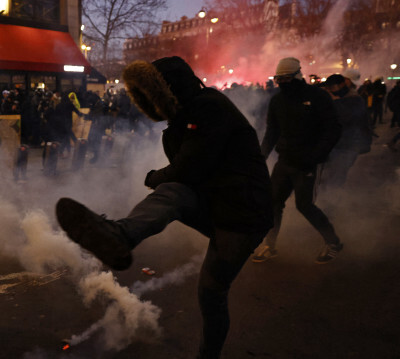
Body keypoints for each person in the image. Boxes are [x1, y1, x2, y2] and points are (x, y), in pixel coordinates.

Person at [55, 57, 273, 359]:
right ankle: (121, 234)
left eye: (149, 93)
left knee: (211, 293)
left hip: (244, 214)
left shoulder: (209, 106)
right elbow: (187, 171)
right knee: (173, 191)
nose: (146, 103)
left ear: (167, 90)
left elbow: (190, 167)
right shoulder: (179, 122)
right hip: (216, 204)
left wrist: (153, 178)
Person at [253, 57, 343, 264]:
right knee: (273, 203)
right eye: (279, 80)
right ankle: (270, 244)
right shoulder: (277, 101)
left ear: (297, 76)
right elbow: (272, 132)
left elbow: (333, 129)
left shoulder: (317, 96)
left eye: (286, 79)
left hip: (308, 162)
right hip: (285, 160)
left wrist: (316, 155)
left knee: (305, 205)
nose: (282, 84)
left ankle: (333, 242)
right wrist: (260, 157)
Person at [321, 74, 372, 188]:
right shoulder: (340, 98)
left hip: (349, 144)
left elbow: (346, 118)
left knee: (337, 174)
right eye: (328, 88)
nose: (330, 91)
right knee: (331, 174)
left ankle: (333, 199)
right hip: (337, 144)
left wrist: (334, 101)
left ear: (342, 85)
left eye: (332, 88)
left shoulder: (355, 99)